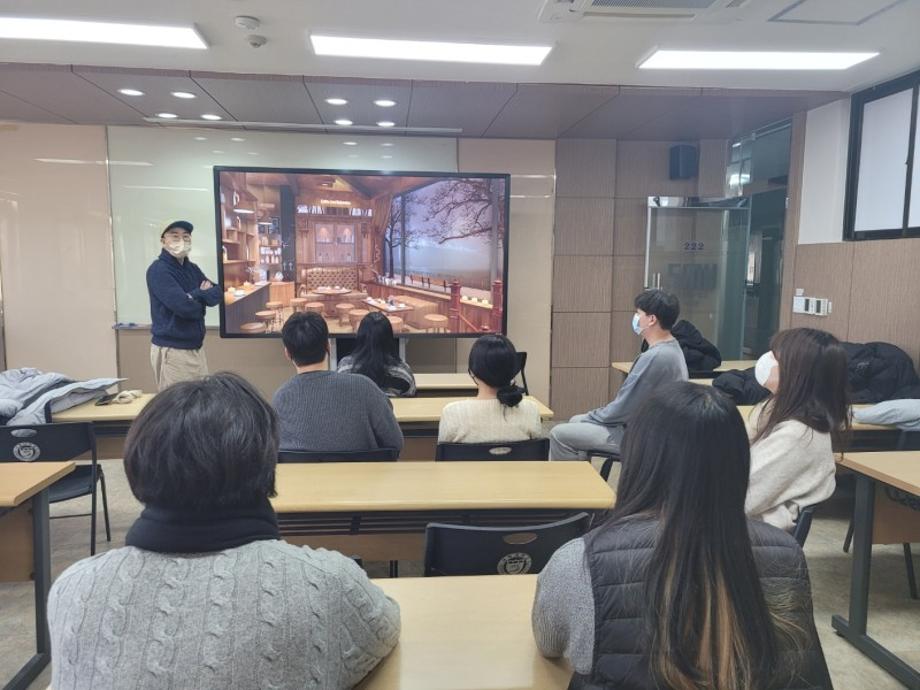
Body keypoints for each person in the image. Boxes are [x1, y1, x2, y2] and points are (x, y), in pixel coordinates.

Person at [47, 373, 400, 689]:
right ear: (268, 463)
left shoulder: (73, 589)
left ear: (138, 460)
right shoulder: (328, 582)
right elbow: (382, 631)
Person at [533, 383, 832, 690]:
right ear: (739, 460)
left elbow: (549, 642)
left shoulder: (581, 561)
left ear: (639, 457)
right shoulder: (788, 555)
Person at [549, 289, 687, 460]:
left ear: (651, 319)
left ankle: (574, 478)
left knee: (559, 434)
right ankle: (583, 474)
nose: (636, 318)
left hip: (644, 437)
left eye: (638, 313)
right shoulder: (672, 348)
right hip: (658, 430)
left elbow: (623, 409)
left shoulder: (655, 357)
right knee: (576, 421)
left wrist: (592, 416)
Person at [746, 328, 849, 531]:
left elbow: (739, 497)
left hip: (753, 537)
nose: (767, 360)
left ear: (798, 373)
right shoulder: (777, 411)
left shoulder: (797, 436)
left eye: (776, 357)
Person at [273, 311, 403, 453]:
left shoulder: (280, 399)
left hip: (305, 469)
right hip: (359, 468)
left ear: (287, 353)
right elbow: (395, 443)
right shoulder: (366, 388)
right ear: (328, 345)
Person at [146, 220, 222, 391]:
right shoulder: (158, 270)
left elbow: (217, 294)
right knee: (179, 404)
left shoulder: (192, 269)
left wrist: (193, 296)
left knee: (200, 400)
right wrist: (200, 294)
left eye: (186, 237)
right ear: (163, 240)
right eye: (175, 236)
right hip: (173, 351)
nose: (181, 240)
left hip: (196, 348)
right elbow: (185, 308)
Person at [438, 334, 542, 443]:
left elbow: (442, 451)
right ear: (513, 370)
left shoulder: (452, 413)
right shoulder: (531, 411)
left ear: (472, 372)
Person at [337, 311, 417, 397]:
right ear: (390, 338)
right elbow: (410, 397)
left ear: (360, 336)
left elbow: (339, 396)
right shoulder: (403, 371)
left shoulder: (344, 368)